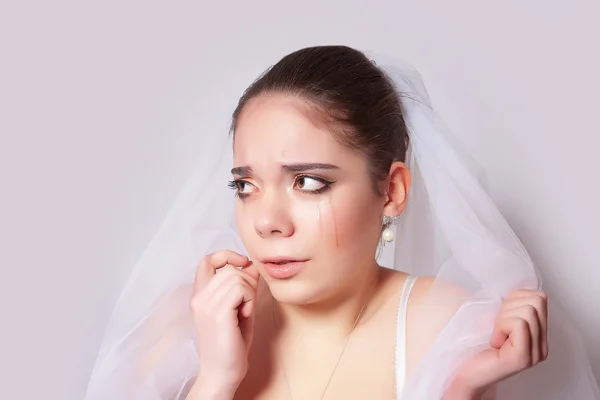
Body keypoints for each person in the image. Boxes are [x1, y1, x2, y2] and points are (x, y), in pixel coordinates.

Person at [84, 45, 599, 399]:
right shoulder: (189, 326)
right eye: (245, 186)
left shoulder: (449, 329)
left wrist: (462, 389)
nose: (266, 222)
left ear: (392, 191)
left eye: (308, 182)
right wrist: (216, 380)